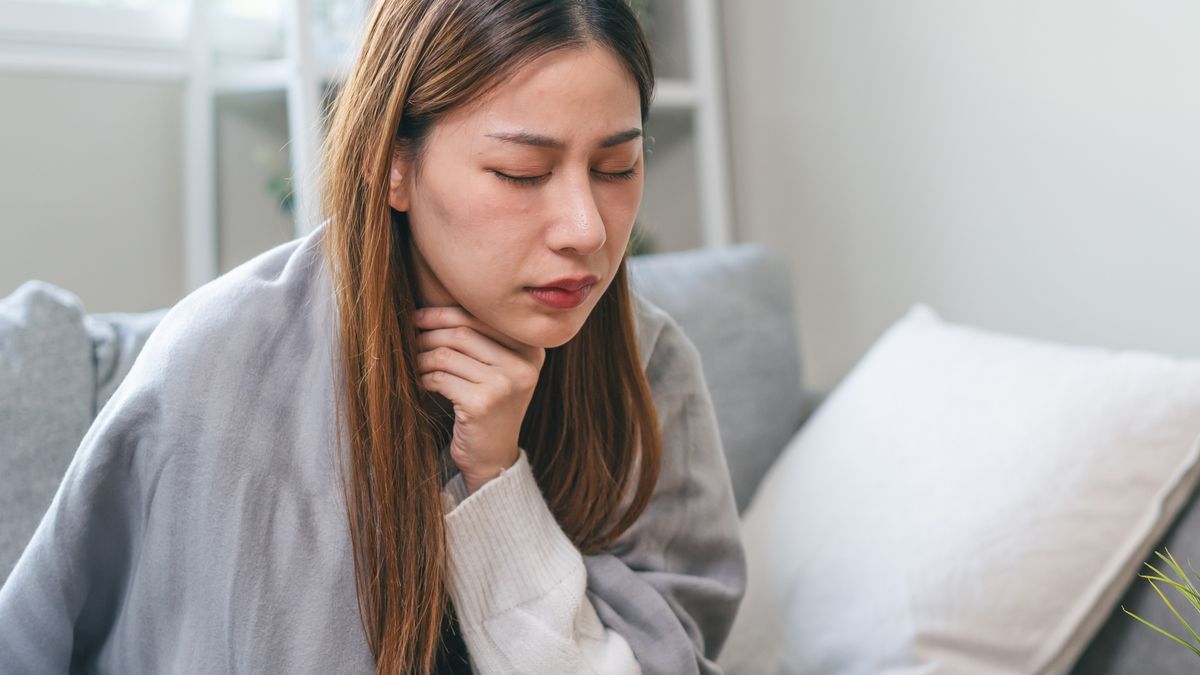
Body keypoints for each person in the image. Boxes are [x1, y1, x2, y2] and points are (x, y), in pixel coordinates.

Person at [0, 0, 746, 673]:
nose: (586, 229)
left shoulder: (648, 367)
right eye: (522, 172)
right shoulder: (227, 364)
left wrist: (499, 484)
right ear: (392, 164)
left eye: (617, 165)